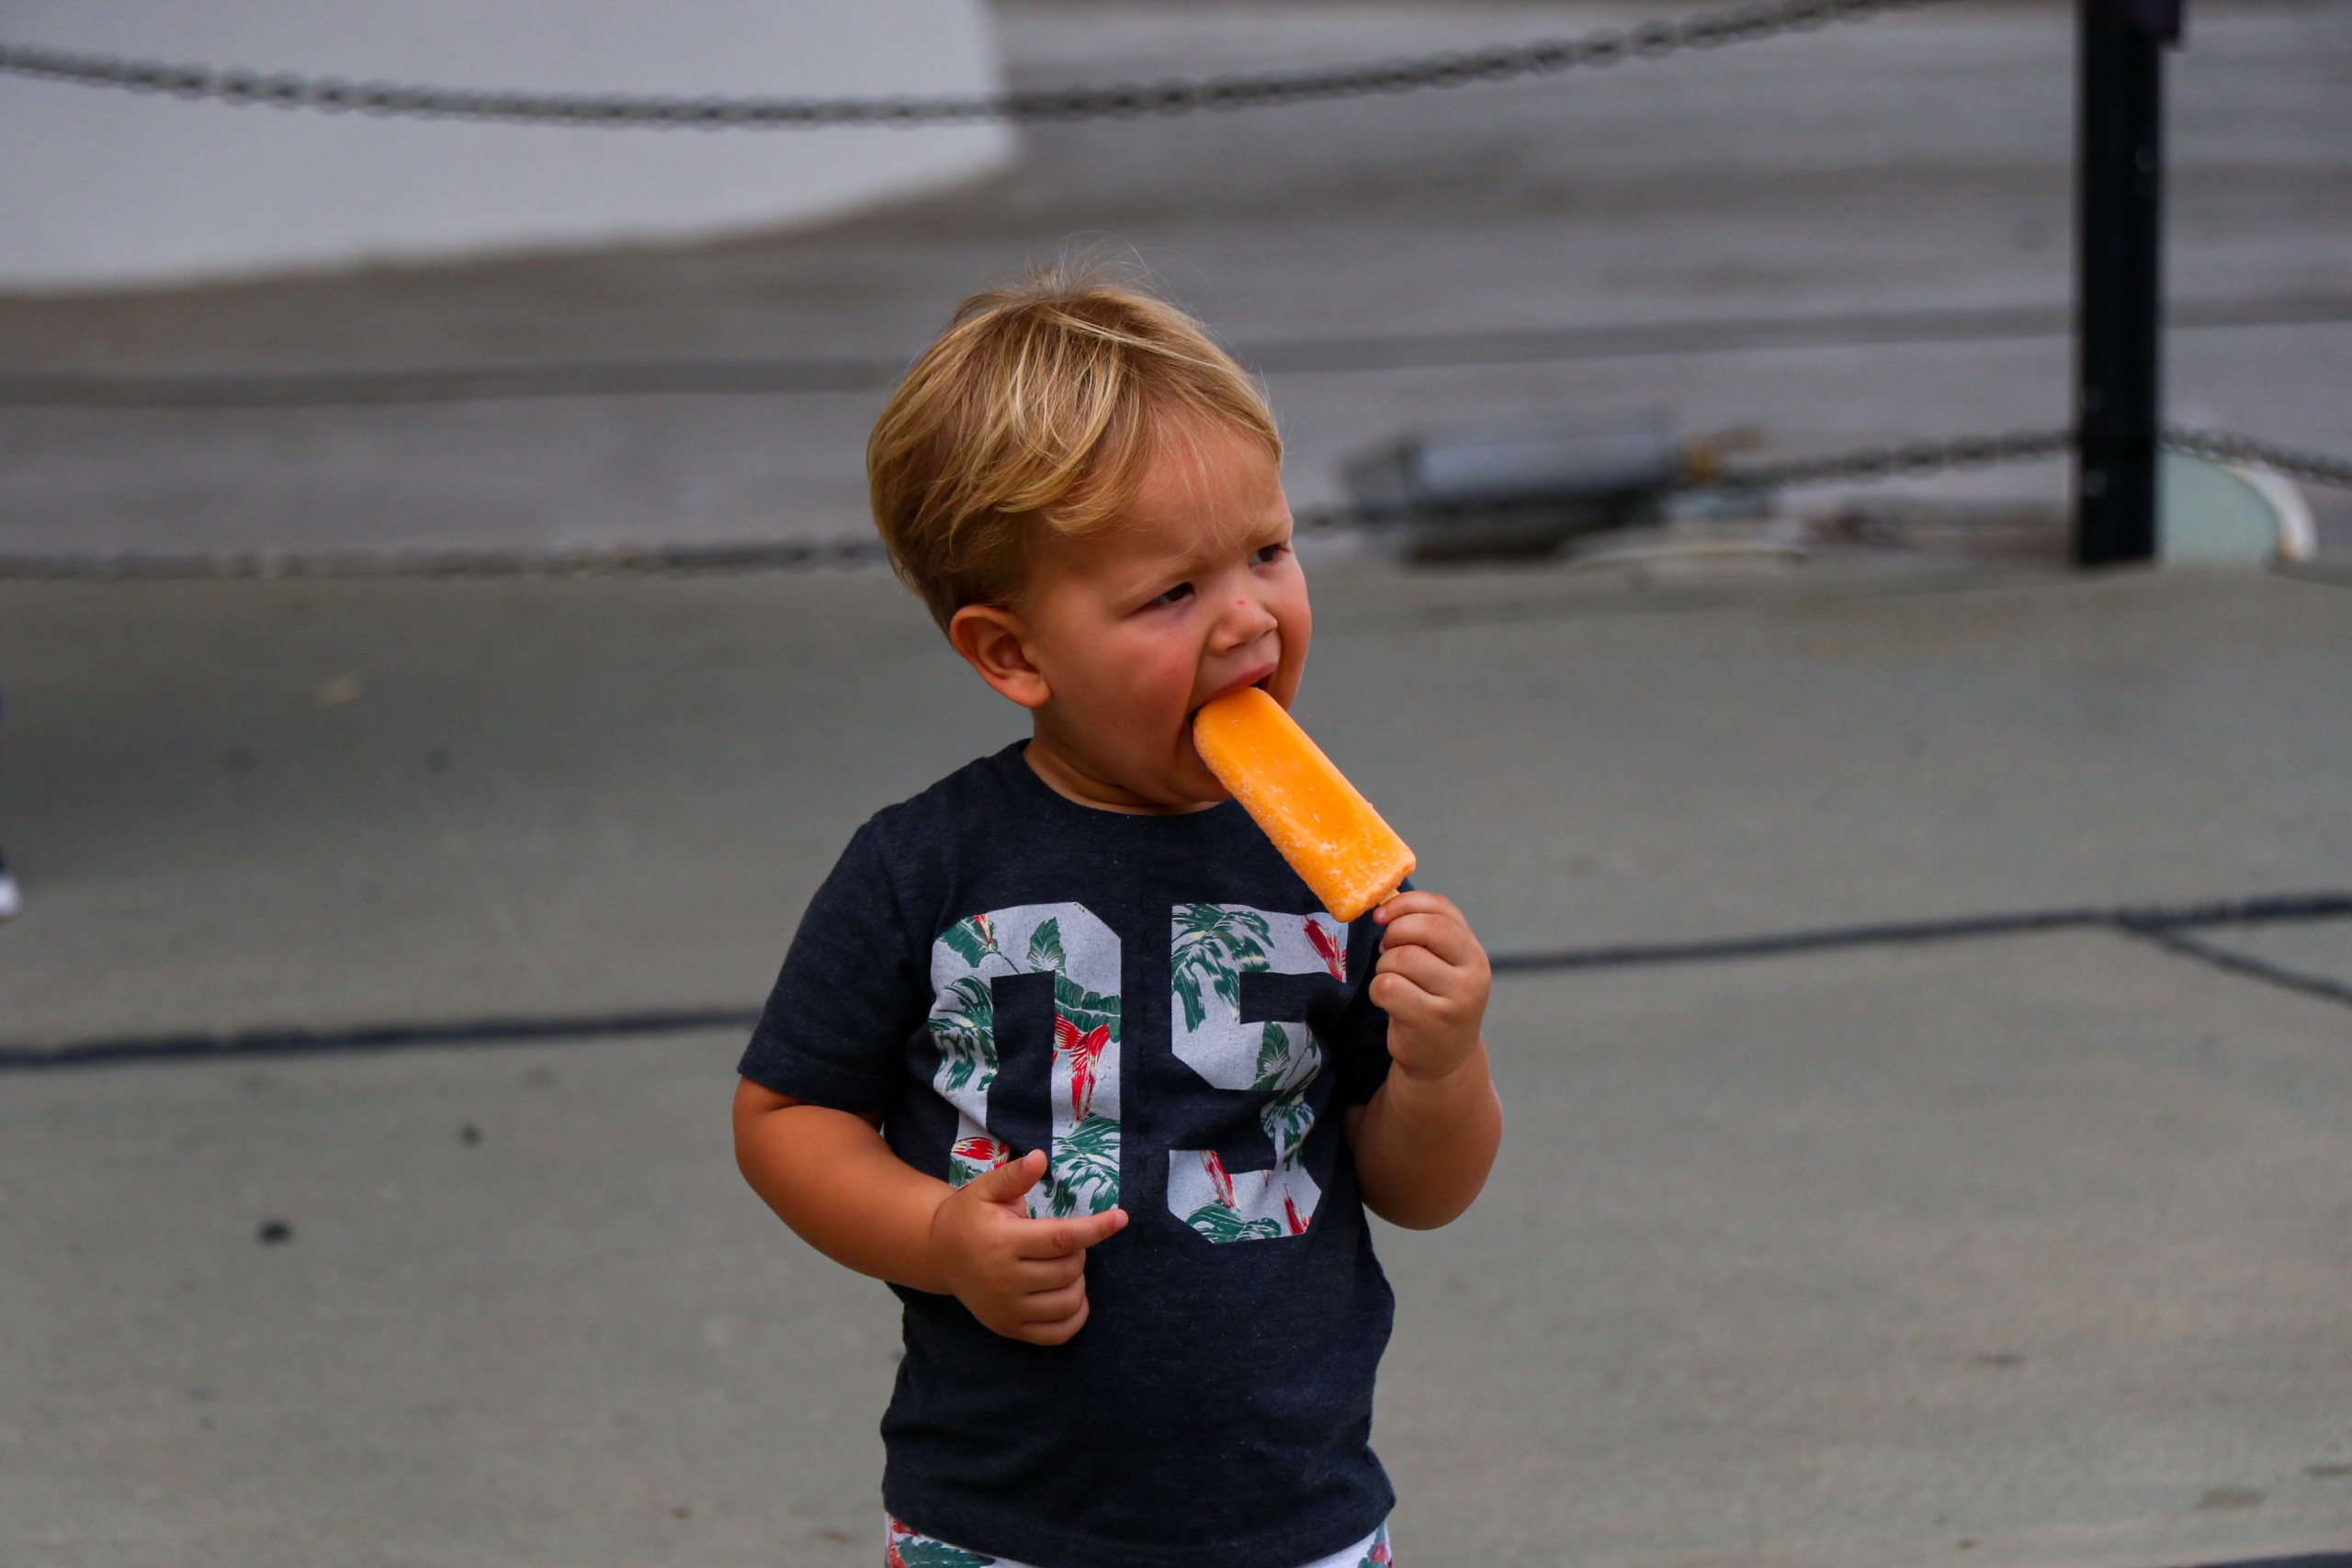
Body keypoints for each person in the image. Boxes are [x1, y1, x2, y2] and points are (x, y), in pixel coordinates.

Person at [732, 268, 1501, 1568]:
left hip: (1295, 1518)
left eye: (1268, 551)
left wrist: (1444, 1063)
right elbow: (785, 1117)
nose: (1249, 616)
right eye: (1171, 594)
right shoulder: (922, 867)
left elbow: (1421, 1190)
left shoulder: (1336, 879)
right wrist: (937, 1238)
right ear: (1014, 653)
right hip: (1000, 1518)